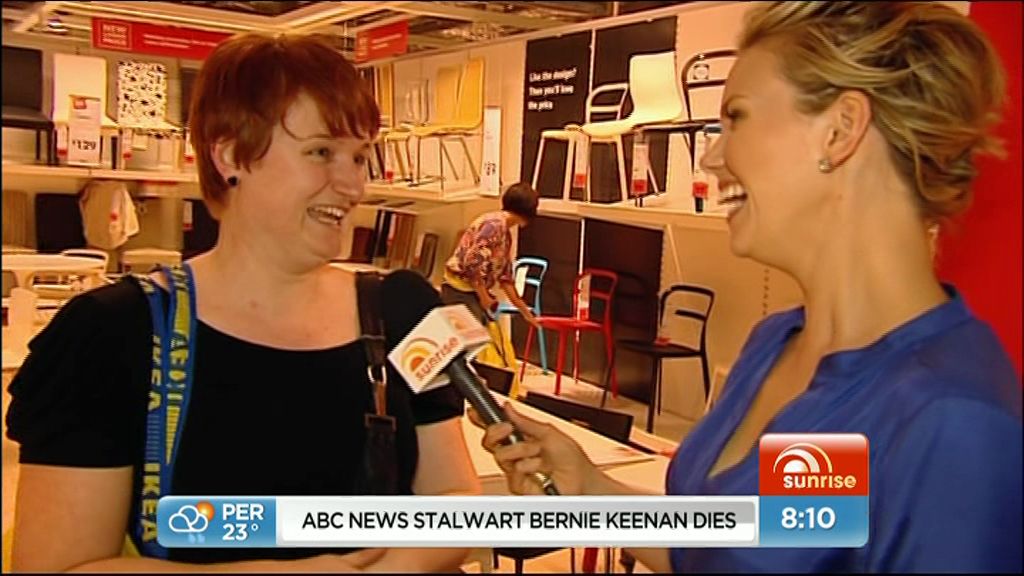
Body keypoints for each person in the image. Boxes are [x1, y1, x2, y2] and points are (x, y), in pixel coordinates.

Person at [478, 2, 1022, 573]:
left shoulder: (951, 419)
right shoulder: (774, 343)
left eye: (736, 117)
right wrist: (590, 493)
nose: (712, 157)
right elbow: (729, 550)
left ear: (839, 131)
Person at [5, 33, 481, 572]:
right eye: (321, 152)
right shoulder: (112, 334)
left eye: (360, 157)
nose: (353, 186)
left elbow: (456, 502)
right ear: (230, 154)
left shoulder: (401, 311)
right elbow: (56, 565)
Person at [441, 183, 542, 391]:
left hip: (474, 293)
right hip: (460, 291)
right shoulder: (493, 226)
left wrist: (524, 311)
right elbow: (472, 262)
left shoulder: (504, 233)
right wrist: (484, 296)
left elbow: (505, 277)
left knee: (490, 346)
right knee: (473, 349)